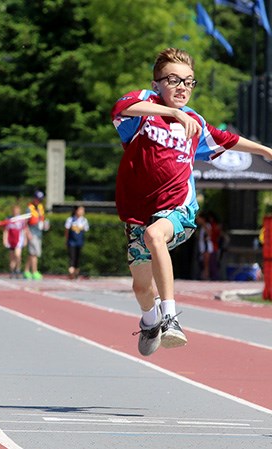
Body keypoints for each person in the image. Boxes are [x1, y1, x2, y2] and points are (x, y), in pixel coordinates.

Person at [112, 47, 272, 357]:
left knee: (155, 235)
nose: (182, 87)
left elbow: (227, 139)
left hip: (178, 208)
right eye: (173, 80)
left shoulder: (194, 122)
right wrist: (171, 112)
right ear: (157, 83)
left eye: (188, 81)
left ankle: (170, 317)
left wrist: (266, 151)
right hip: (137, 213)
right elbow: (122, 108)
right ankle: (151, 319)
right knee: (141, 288)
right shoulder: (144, 111)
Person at [1, 204, 31, 279]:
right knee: (12, 257)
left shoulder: (21, 219)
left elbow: (24, 229)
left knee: (18, 255)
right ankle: (12, 271)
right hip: (11, 240)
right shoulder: (9, 219)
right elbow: (6, 231)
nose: (16, 211)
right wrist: (5, 240)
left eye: (17, 210)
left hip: (19, 240)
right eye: (14, 210)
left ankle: (18, 269)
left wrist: (25, 239)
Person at [26, 190, 49, 280]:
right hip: (32, 232)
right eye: (38, 199)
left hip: (39, 232)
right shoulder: (29, 208)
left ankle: (26, 270)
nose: (39, 201)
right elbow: (25, 223)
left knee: (32, 252)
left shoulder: (40, 207)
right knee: (34, 253)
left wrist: (45, 225)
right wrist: (27, 233)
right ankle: (34, 271)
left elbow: (41, 219)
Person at [64, 205, 89, 280]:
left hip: (79, 242)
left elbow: (86, 230)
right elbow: (67, 231)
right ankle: (71, 273)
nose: (82, 212)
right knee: (72, 257)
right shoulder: (70, 219)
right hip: (71, 242)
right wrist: (66, 240)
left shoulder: (84, 220)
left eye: (83, 210)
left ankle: (76, 273)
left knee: (77, 259)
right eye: (80, 210)